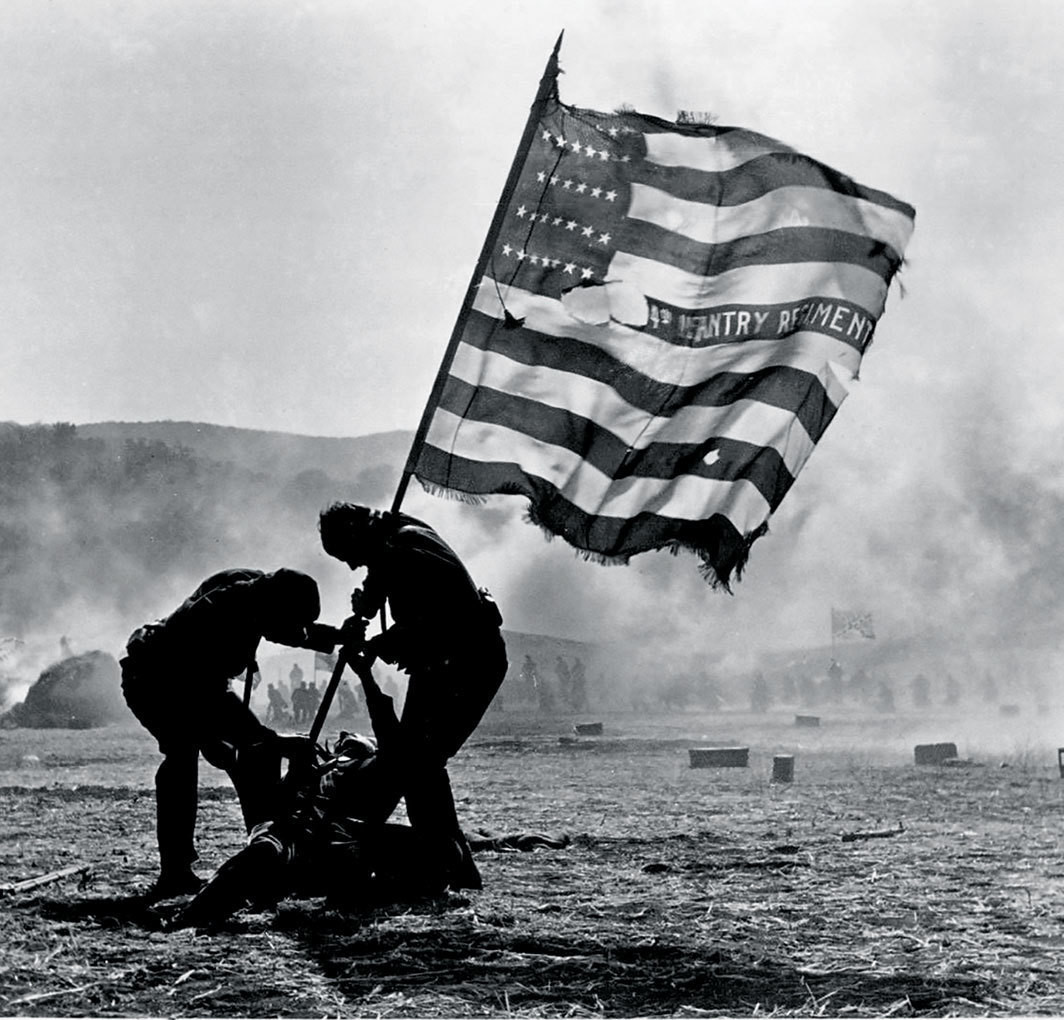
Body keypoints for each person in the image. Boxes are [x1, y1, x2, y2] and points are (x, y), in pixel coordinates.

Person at [317, 503, 507, 889]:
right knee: (415, 761)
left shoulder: (402, 548)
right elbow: (383, 574)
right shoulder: (393, 540)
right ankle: (447, 864)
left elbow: (445, 617)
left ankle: (449, 865)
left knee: (421, 762)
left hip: (466, 661)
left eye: (348, 555)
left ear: (356, 530)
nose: (353, 565)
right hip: (439, 664)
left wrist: (380, 644)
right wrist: (368, 602)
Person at [120, 567, 333, 899]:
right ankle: (175, 873)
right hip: (159, 682)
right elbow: (196, 694)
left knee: (254, 754)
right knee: (182, 755)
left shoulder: (258, 593)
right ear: (274, 605)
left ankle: (266, 854)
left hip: (201, 685)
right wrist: (250, 740)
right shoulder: (216, 612)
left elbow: (287, 631)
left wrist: (339, 637)